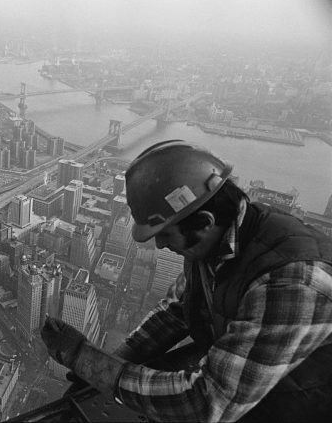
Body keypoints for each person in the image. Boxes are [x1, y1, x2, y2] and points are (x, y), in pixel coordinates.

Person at [42, 140, 332, 422]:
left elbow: (206, 404)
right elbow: (178, 310)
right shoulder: (220, 240)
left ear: (204, 222)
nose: (159, 244)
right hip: (257, 395)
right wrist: (112, 359)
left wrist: (89, 362)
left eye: (166, 234)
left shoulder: (291, 283)